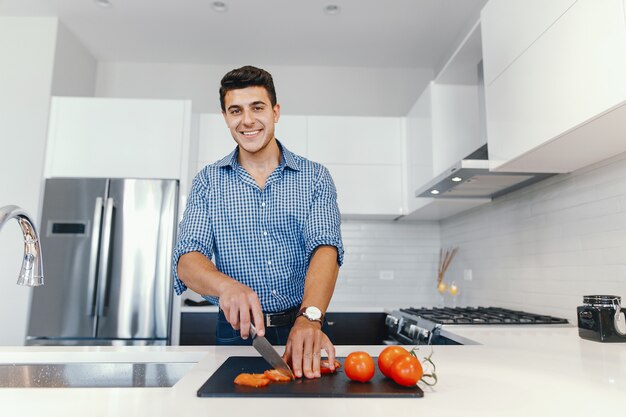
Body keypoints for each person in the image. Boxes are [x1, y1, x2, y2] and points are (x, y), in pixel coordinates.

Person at [172, 65, 344, 379]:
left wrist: (310, 317)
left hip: (305, 324)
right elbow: (187, 259)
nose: (248, 120)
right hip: (236, 332)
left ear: (275, 112)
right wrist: (227, 287)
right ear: (225, 117)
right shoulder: (208, 182)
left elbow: (325, 248)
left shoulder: (315, 177)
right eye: (236, 110)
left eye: (258, 107)